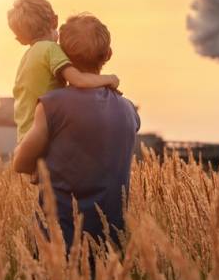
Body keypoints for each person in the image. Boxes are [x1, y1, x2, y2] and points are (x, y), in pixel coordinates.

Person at [12, 13, 140, 249]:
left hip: (59, 245)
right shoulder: (129, 110)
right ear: (108, 55)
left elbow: (20, 163)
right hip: (112, 245)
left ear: (61, 54)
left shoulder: (52, 105)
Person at [7, 0, 120, 146]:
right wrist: (110, 79)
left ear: (20, 39)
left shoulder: (29, 56)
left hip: (25, 138)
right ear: (55, 20)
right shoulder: (50, 50)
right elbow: (79, 80)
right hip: (43, 137)